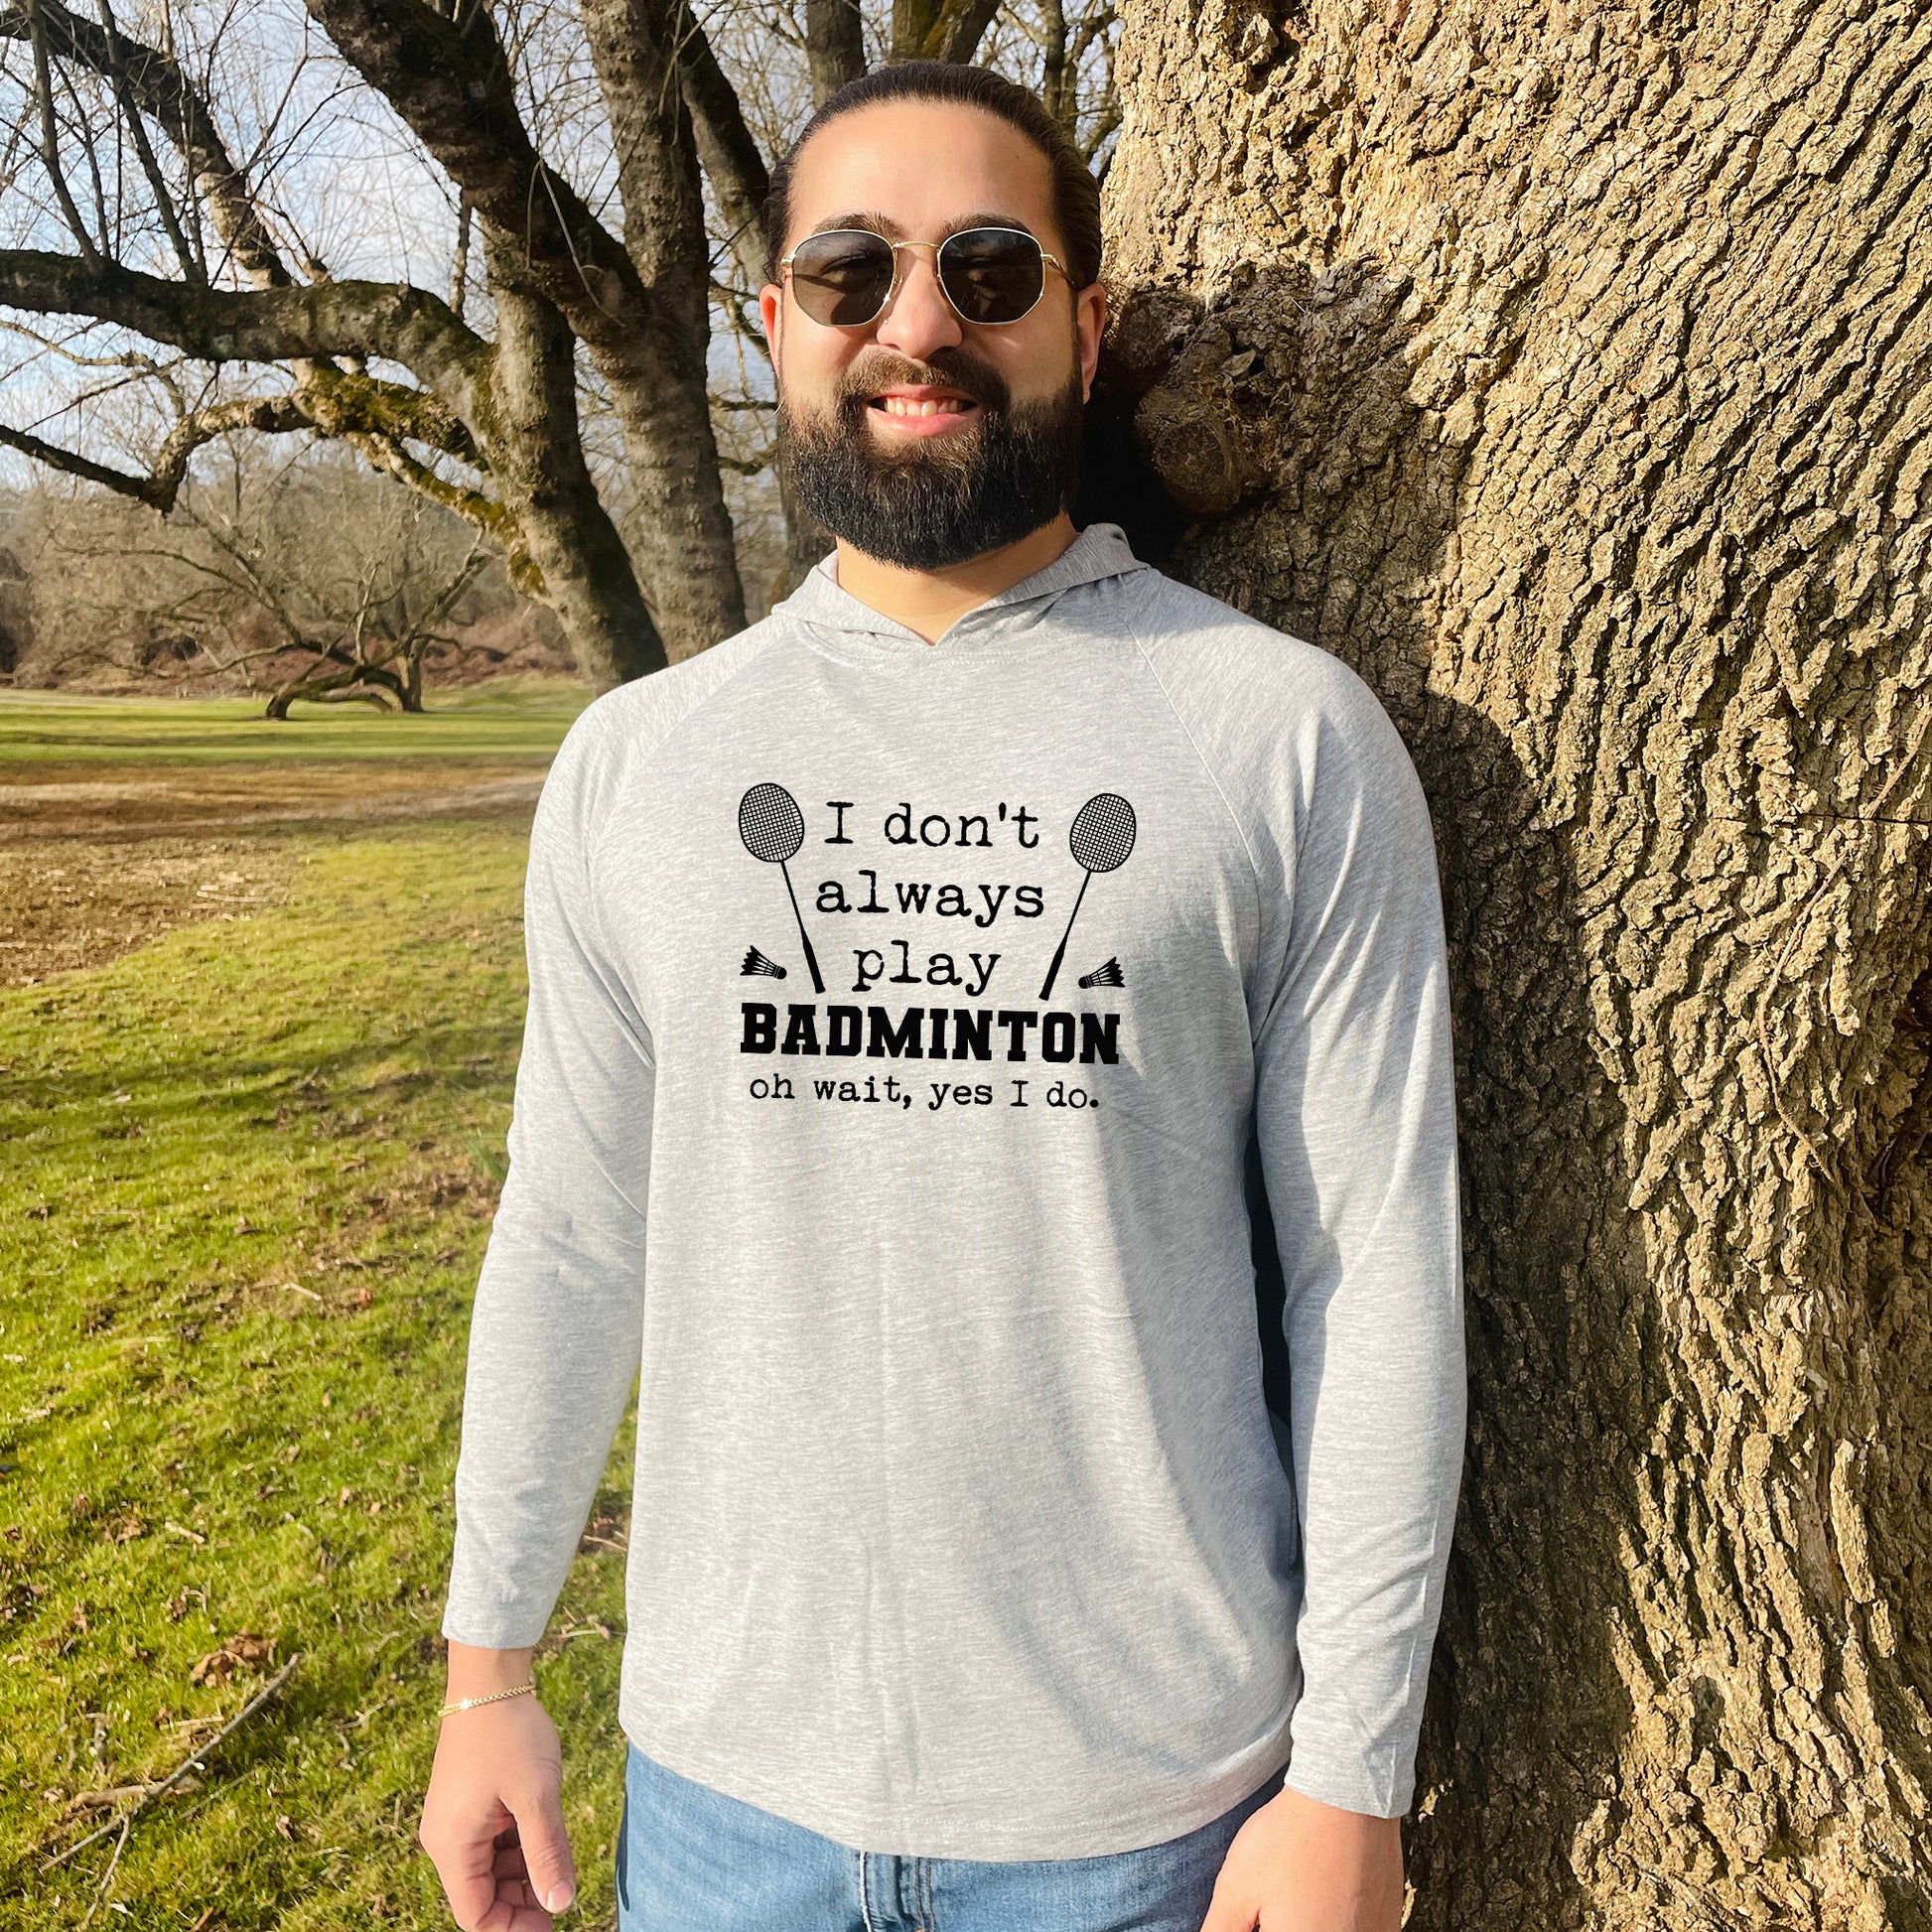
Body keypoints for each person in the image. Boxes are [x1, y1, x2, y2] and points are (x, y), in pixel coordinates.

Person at [418, 59, 1466, 1932]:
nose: (918, 324)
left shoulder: (1282, 738)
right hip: (720, 1799)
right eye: (850, 273)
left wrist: (1349, 1775)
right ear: (775, 327)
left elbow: (1372, 1268)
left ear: (1085, 317)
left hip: (1155, 1814)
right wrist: (487, 1670)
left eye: (987, 268)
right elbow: (570, 1239)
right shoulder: (636, 763)